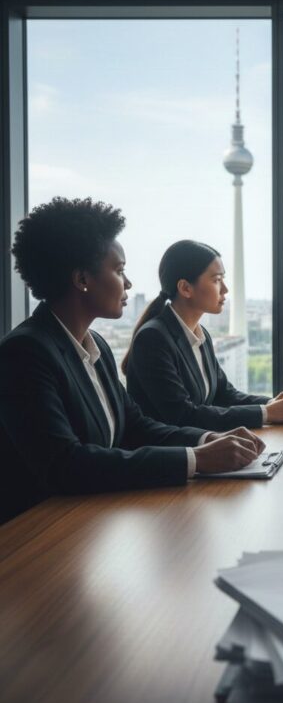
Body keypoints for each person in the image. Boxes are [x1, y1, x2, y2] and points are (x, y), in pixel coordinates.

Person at [0, 198, 264, 524]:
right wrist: (195, 459)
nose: (128, 283)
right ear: (82, 279)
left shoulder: (96, 346)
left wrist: (207, 439)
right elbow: (65, 464)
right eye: (120, 270)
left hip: (91, 518)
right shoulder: (25, 353)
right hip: (39, 533)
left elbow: (136, 426)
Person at [124, 240, 283, 430]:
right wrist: (267, 413)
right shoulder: (153, 339)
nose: (225, 289)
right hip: (170, 454)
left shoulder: (200, 335)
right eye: (217, 280)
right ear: (185, 288)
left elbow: (224, 395)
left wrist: (271, 404)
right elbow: (183, 415)